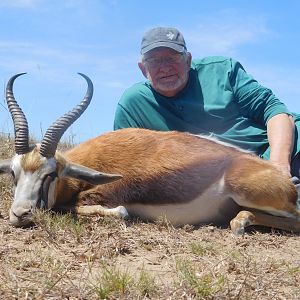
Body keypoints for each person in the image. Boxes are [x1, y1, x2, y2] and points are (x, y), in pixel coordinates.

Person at [114, 26, 300, 178]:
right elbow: (124, 162)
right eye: (154, 61)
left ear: (188, 60)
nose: (165, 68)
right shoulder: (133, 104)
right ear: (142, 68)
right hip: (223, 180)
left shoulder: (223, 70)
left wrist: (278, 167)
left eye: (172, 58)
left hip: (278, 154)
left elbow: (274, 110)